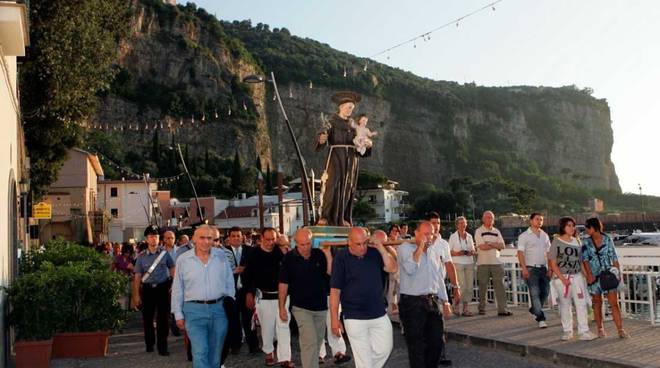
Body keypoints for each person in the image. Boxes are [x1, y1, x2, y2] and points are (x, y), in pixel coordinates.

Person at [329, 227, 398, 368]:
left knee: (384, 349)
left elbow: (393, 268)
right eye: (358, 244)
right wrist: (334, 320)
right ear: (349, 242)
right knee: (364, 361)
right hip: (354, 316)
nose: (362, 248)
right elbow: (335, 291)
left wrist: (380, 247)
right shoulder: (341, 257)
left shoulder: (375, 253)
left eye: (364, 243)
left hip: (378, 313)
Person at [171, 225, 235, 368]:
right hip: (193, 311)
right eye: (202, 237)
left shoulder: (221, 256)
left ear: (214, 240)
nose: (206, 241)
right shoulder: (183, 259)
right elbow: (177, 288)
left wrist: (230, 301)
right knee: (200, 352)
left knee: (216, 353)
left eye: (209, 238)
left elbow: (229, 281)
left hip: (219, 310)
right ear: (193, 239)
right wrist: (178, 314)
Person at [398, 221, 453, 368]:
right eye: (426, 234)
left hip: (433, 302)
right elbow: (410, 268)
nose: (429, 237)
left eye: (432, 233)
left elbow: (438, 278)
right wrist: (421, 247)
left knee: (437, 342)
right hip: (412, 303)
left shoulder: (433, 251)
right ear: (416, 233)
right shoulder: (404, 248)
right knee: (417, 346)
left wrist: (445, 301)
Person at [279, 228, 333, 368]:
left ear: (312, 241)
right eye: (302, 244)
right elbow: (283, 284)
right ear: (295, 243)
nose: (306, 247)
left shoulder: (319, 254)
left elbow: (329, 275)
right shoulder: (289, 258)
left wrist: (328, 255)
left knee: (317, 342)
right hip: (300, 307)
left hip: (320, 306)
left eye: (308, 243)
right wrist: (281, 308)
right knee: (309, 342)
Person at [242, 227, 294, 367]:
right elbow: (247, 276)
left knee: (283, 326)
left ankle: (285, 358)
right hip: (263, 297)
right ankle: (269, 353)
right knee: (267, 327)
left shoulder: (281, 252)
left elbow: (290, 272)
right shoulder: (254, 254)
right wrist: (248, 293)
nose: (271, 242)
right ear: (261, 239)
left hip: (282, 297)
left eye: (273, 239)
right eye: (268, 239)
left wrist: (285, 251)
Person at [316, 91, 369, 226]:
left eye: (352, 108)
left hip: (351, 159)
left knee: (348, 187)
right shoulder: (331, 122)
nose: (350, 110)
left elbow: (363, 139)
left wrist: (368, 144)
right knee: (332, 185)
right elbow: (324, 130)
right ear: (340, 107)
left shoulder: (354, 125)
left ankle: (343, 217)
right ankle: (326, 216)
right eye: (347, 107)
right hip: (335, 157)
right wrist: (322, 138)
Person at [548, 217, 597, 341]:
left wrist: (587, 276)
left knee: (581, 305)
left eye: (573, 225)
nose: (571, 228)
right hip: (562, 279)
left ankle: (584, 331)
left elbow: (580, 263)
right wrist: (562, 279)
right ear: (563, 227)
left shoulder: (577, 242)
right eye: (568, 225)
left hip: (577, 277)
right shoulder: (556, 242)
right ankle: (567, 331)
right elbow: (553, 263)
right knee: (565, 305)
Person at [131, 225, 175, 356]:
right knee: (147, 318)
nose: (154, 239)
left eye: (155, 236)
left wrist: (174, 283)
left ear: (158, 238)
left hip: (162, 288)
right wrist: (136, 295)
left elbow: (173, 268)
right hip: (148, 290)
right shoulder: (141, 257)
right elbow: (137, 276)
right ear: (146, 239)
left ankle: (163, 346)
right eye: (151, 237)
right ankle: (149, 343)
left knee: (163, 319)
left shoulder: (165, 254)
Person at [581, 217, 628, 338]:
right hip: (594, 277)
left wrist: (618, 274)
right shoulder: (586, 242)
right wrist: (589, 275)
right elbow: (585, 260)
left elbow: (614, 257)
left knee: (614, 303)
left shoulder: (607, 239)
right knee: (597, 303)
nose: (586, 230)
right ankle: (600, 328)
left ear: (593, 227)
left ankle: (620, 330)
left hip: (608, 275)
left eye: (587, 227)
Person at [221, 226, 259, 364]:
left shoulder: (251, 250)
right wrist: (233, 271)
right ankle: (235, 345)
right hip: (231, 292)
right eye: (234, 236)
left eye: (239, 235)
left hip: (246, 290)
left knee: (249, 318)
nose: (236, 238)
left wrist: (246, 270)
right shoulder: (222, 253)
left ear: (243, 237)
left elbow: (256, 271)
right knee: (233, 320)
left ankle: (253, 345)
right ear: (229, 238)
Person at [517, 213, 551, 328]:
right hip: (531, 269)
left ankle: (534, 309)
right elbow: (520, 253)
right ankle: (541, 318)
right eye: (537, 219)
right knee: (535, 294)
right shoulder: (524, 236)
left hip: (543, 268)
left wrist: (550, 268)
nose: (539, 221)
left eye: (541, 219)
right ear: (531, 221)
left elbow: (548, 253)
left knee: (545, 292)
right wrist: (524, 268)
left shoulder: (545, 235)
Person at [475, 211, 512, 316]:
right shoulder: (478, 231)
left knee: (500, 286)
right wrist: (495, 245)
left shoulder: (497, 231)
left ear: (493, 219)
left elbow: (503, 245)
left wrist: (490, 243)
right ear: (483, 219)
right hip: (483, 263)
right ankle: (481, 308)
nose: (489, 219)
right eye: (487, 218)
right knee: (483, 287)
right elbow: (482, 247)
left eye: (491, 218)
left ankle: (502, 310)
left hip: (497, 262)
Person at [448, 216, 476, 316]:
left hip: (469, 262)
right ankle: (456, 305)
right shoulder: (453, 237)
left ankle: (465, 309)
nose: (462, 225)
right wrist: (457, 253)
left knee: (469, 287)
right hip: (458, 263)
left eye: (464, 223)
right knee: (461, 287)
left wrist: (471, 252)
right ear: (457, 225)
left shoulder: (469, 236)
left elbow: (473, 250)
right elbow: (449, 252)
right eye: (460, 223)